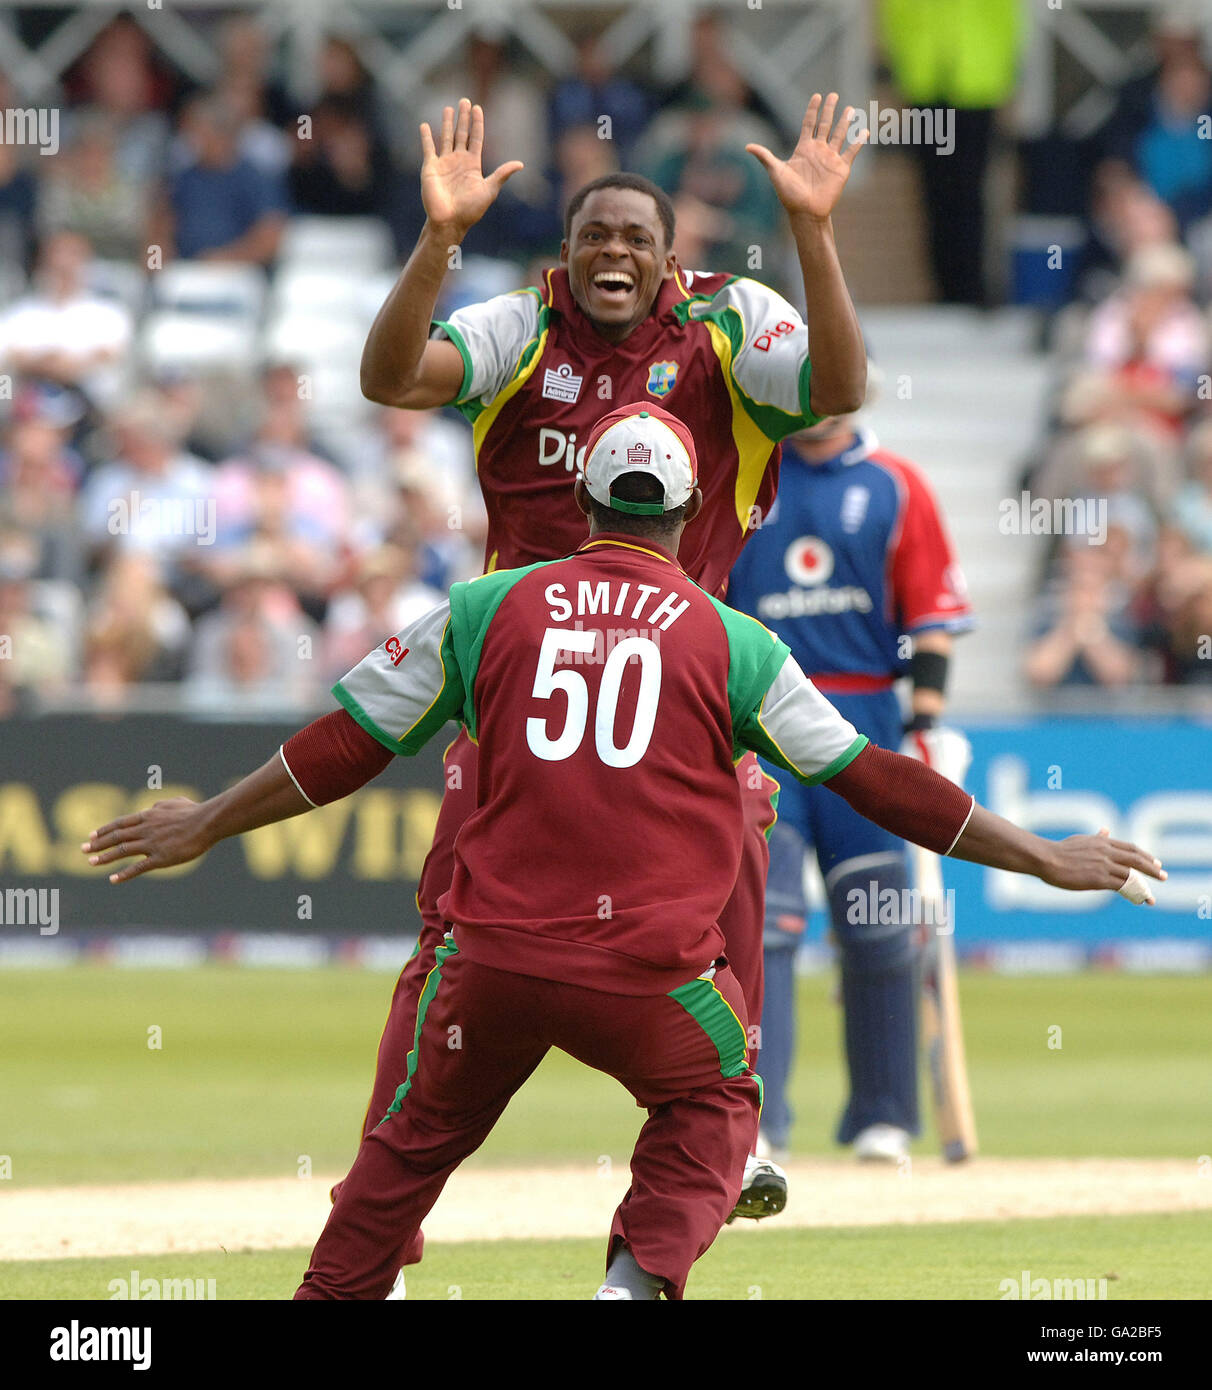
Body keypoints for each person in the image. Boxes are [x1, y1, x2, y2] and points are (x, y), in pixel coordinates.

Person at [80, 402, 1166, 1299]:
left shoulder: (482, 609)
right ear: (694, 508)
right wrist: (1041, 855)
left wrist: (207, 820)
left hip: (491, 961)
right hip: (650, 975)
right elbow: (872, 776)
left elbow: (345, 743)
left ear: (582, 500)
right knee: (720, 1106)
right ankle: (627, 1289)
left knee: (402, 1155)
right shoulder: (735, 640)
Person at [355, 91, 869, 1265]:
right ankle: (391, 1178)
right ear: (564, 256)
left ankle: (729, 1126)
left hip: (683, 681)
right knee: (450, 929)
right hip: (522, 693)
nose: (616, 256)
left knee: (734, 861)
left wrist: (817, 234)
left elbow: (837, 392)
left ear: (671, 258)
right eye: (595, 239)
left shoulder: (731, 331)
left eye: (637, 239)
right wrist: (438, 240)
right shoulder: (512, 331)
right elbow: (393, 380)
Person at [727, 406, 973, 1162]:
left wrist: (924, 721)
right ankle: (759, 1121)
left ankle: (884, 1117)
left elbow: (930, 619)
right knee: (765, 925)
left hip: (864, 723)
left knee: (877, 926)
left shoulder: (896, 485)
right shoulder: (744, 479)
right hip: (762, 719)